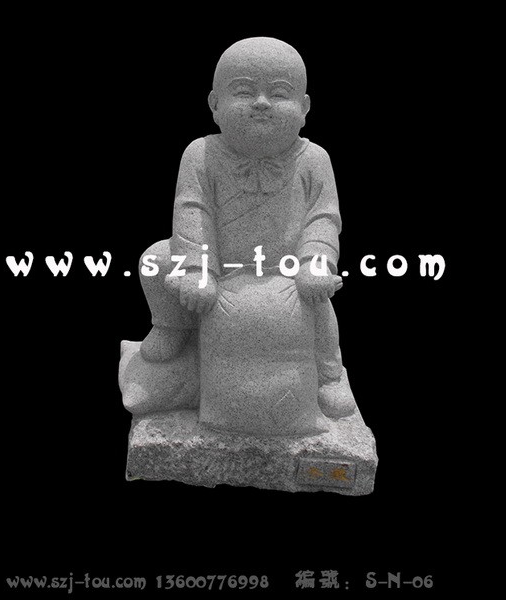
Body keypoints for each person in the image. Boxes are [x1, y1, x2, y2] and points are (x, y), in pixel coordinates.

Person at [138, 37, 354, 418]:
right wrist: (197, 269)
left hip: (285, 268)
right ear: (214, 104)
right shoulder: (200, 154)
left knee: (318, 303)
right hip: (217, 263)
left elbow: (323, 218)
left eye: (279, 94)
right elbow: (192, 210)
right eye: (243, 91)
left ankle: (329, 373)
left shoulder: (314, 159)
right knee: (153, 261)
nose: (261, 103)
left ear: (304, 108)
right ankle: (173, 325)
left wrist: (316, 263)